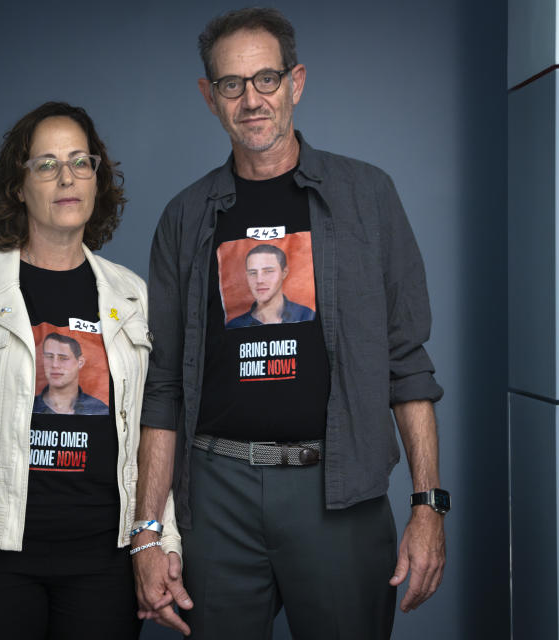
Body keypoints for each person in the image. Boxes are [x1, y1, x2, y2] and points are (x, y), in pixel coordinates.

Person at [132, 8, 448, 639]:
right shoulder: (185, 217)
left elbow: (406, 362)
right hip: (214, 497)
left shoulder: (367, 197)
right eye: (231, 84)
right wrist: (147, 533)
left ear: (296, 82)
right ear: (209, 96)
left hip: (340, 494)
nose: (252, 99)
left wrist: (427, 503)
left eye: (267, 79)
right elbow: (162, 385)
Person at [0, 101, 180, 640]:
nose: (66, 177)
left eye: (80, 161)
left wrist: (163, 542)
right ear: (19, 185)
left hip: (105, 558)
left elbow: (154, 428)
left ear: (98, 180)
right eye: (46, 164)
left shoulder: (132, 297)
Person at [225, 244, 314, 328]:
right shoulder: (235, 326)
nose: (259, 280)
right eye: (252, 273)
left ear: (284, 272)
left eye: (268, 271)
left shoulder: (306, 316)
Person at [33, 332, 109, 415]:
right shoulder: (27, 407)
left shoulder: (99, 411)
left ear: (80, 362)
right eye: (49, 357)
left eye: (63, 358)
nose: (54, 365)